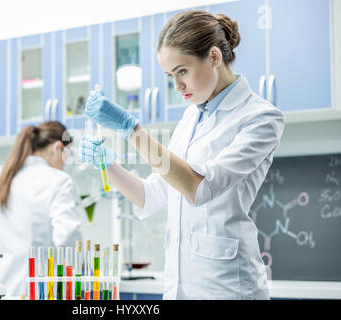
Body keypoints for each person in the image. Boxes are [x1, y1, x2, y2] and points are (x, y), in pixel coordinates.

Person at [80, 10, 284, 299]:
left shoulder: (260, 117)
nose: (177, 86)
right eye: (170, 75)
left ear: (214, 57)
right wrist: (109, 165)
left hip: (227, 286)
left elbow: (198, 187)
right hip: (179, 285)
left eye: (182, 71)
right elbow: (151, 196)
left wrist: (132, 129)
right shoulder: (191, 118)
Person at [0, 121, 82, 297]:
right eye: (68, 155)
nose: (65, 163)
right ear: (58, 147)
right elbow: (67, 237)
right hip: (36, 291)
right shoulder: (58, 181)